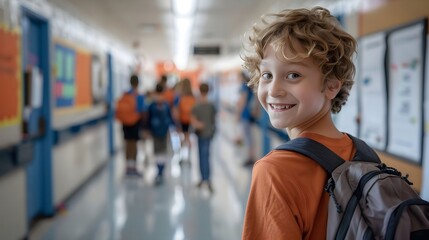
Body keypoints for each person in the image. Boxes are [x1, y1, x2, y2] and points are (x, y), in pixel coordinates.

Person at [241, 7, 357, 239]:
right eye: (267, 75)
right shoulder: (361, 153)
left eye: (293, 75)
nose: (274, 90)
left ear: (332, 85)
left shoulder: (275, 171)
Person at [118, 74, 146, 176]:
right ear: (138, 83)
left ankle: (127, 167)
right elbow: (142, 111)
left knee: (127, 143)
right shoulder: (139, 96)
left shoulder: (125, 95)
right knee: (134, 144)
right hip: (135, 123)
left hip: (125, 123)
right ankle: (133, 167)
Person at [191, 83, 217, 193]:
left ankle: (204, 179)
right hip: (208, 133)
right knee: (206, 156)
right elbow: (214, 120)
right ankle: (206, 179)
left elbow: (193, 121)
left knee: (201, 156)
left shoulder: (196, 106)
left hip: (200, 133)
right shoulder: (211, 105)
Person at [146, 83, 174, 185]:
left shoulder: (152, 104)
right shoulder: (165, 104)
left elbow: (148, 118)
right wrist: (174, 126)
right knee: (163, 149)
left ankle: (159, 171)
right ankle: (161, 171)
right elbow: (170, 117)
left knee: (157, 150)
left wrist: (147, 129)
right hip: (164, 129)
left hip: (155, 130)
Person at [235, 70, 257, 167]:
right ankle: (250, 156)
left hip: (245, 114)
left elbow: (242, 101)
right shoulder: (249, 87)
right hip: (249, 114)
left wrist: (238, 114)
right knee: (248, 137)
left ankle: (250, 158)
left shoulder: (244, 87)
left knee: (248, 138)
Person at [174, 78, 196, 163]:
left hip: (181, 120)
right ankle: (189, 156)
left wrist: (176, 122)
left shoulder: (179, 96)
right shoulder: (192, 96)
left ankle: (181, 156)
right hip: (190, 120)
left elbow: (176, 110)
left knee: (181, 138)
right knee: (188, 137)